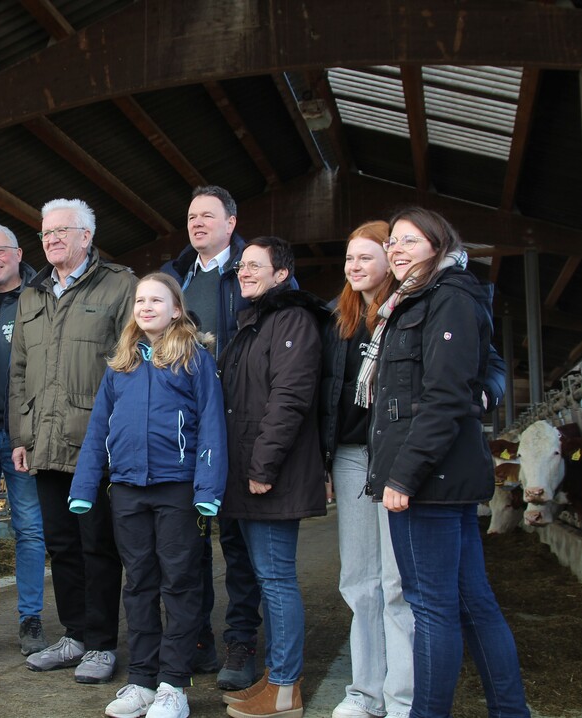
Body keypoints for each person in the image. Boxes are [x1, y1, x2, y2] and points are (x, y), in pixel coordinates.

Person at [359, 207, 531, 718]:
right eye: (392, 241)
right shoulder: (414, 300)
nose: (397, 249)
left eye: (410, 241)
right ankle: (510, 710)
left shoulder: (448, 295)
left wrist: (402, 474)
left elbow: (445, 394)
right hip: (438, 474)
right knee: (470, 602)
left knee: (431, 607)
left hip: (428, 478)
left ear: (438, 244)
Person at [69, 273, 227, 718]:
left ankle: (174, 684)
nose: (146, 306)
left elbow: (213, 425)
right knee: (138, 584)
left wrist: (208, 488)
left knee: (179, 583)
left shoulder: (194, 359)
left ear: (176, 309)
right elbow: (99, 427)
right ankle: (140, 679)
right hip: (128, 490)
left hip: (177, 489)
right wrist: (85, 487)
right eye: (140, 300)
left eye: (157, 299)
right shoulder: (121, 364)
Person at [9, 198, 136, 684]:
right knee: (60, 544)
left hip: (94, 442)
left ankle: (102, 643)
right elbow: (19, 369)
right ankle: (75, 635)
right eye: (45, 233)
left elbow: (133, 361)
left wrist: (119, 434)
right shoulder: (32, 293)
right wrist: (21, 433)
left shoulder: (120, 284)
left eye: (63, 231)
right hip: (43, 439)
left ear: (87, 236)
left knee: (97, 544)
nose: (52, 239)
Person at [219, 236, 328, 718]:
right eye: (241, 266)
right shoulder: (255, 322)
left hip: (268, 474)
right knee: (266, 576)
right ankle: (274, 678)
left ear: (281, 274)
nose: (243, 272)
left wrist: (262, 467)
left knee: (277, 578)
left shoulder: (292, 321)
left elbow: (289, 399)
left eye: (254, 266)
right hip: (246, 472)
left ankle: (285, 688)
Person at [162, 186, 261, 687]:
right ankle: (195, 636)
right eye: (191, 215)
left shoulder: (250, 271)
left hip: (240, 425)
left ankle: (241, 640)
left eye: (207, 215)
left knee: (239, 540)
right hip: (189, 430)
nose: (197, 223)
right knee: (191, 541)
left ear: (231, 221)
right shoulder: (175, 278)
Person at [319, 222, 413, 718]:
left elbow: (486, 362)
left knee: (397, 582)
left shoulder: (412, 309)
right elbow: (326, 395)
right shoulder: (341, 320)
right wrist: (325, 459)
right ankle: (364, 692)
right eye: (349, 259)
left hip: (396, 457)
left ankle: (402, 698)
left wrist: (489, 391)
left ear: (390, 258)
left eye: (365, 257)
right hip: (354, 456)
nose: (354, 267)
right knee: (358, 579)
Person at [0, 223, 47, 656]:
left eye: (0, 251)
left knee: (30, 530)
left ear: (19, 254)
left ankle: (30, 619)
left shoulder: (38, 297)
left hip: (23, 436)